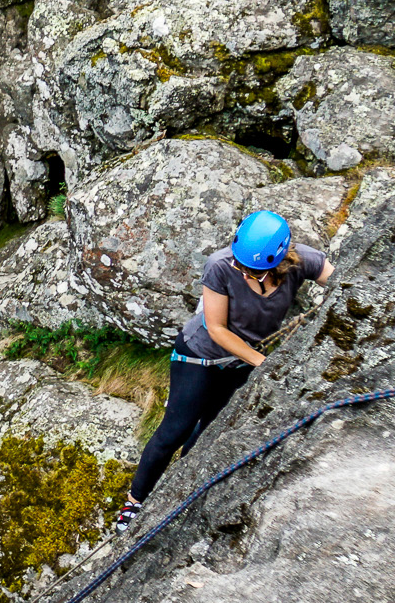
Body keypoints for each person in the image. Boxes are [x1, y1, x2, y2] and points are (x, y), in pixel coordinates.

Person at [113, 210, 331, 532]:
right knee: (175, 431)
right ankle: (134, 502)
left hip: (241, 364)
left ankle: (178, 487)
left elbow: (342, 280)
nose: (244, 275)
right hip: (201, 356)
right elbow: (216, 328)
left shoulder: (302, 262)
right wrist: (261, 362)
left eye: (253, 272)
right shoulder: (220, 265)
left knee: (208, 432)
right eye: (241, 267)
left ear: (279, 261)